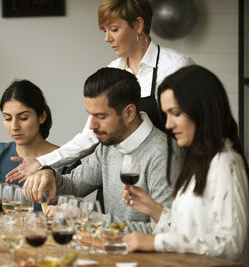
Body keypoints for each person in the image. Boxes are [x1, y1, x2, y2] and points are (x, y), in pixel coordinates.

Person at [6, 0, 193, 184]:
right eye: (105, 31)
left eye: (114, 29)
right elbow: (90, 135)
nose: (107, 38)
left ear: (138, 24)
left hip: (163, 177)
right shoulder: (114, 70)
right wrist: (42, 162)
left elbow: (193, 131)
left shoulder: (174, 67)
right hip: (118, 180)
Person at [22, 67, 181, 233]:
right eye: (90, 115)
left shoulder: (164, 155)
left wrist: (87, 219)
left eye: (101, 116)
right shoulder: (110, 144)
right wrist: (50, 176)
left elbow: (162, 232)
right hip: (110, 251)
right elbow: (75, 187)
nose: (92, 126)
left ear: (129, 112)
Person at [121, 65, 249, 265]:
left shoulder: (226, 162)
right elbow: (194, 230)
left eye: (176, 113)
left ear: (202, 110)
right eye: (166, 114)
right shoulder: (200, 161)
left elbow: (231, 243)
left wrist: (157, 242)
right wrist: (155, 210)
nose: (169, 124)